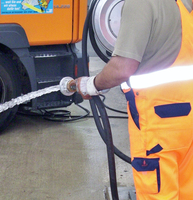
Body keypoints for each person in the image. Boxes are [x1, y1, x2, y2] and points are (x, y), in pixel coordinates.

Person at [72, 0, 193, 199]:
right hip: (188, 125)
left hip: (159, 130)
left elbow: (122, 68)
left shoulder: (141, 3)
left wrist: (91, 84)